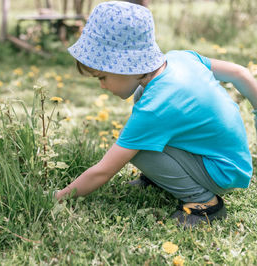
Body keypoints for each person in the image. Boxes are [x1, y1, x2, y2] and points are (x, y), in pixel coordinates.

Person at [55, 1, 257, 227]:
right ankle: (161, 179)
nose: (102, 86)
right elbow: (240, 73)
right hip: (230, 161)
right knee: (143, 106)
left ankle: (204, 203)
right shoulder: (180, 58)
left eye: (102, 77)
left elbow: (103, 171)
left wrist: (59, 197)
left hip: (221, 173)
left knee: (138, 149)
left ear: (125, 66)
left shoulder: (156, 106)